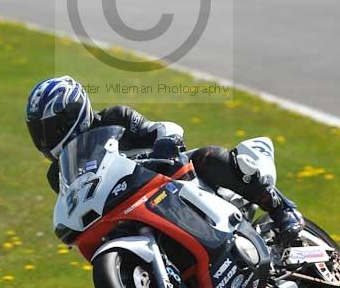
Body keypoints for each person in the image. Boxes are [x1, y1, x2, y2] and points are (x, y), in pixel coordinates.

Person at [25, 76, 304, 244]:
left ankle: (281, 209)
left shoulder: (115, 117)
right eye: (39, 133)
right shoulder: (57, 174)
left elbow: (160, 128)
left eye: (49, 129)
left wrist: (163, 145)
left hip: (171, 179)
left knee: (209, 156)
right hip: (126, 209)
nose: (45, 140)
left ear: (73, 112)